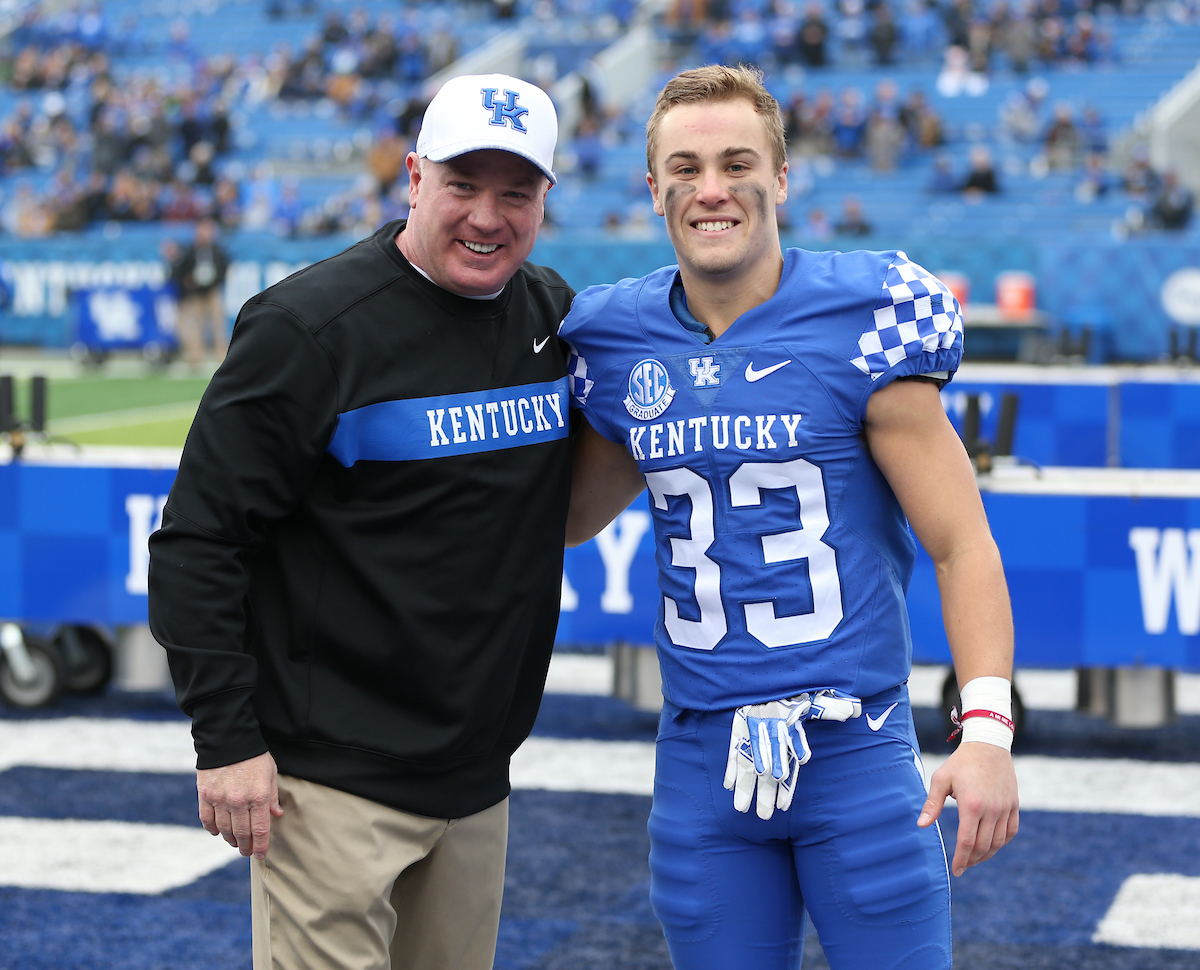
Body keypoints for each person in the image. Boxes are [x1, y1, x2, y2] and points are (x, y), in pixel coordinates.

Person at [561, 65, 1018, 970]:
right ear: (652, 190)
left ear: (781, 176)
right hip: (699, 758)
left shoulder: (866, 319)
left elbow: (963, 545)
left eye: (737, 163)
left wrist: (989, 733)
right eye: (685, 169)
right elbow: (566, 521)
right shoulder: (614, 343)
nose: (712, 189)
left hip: (855, 747)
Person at [147, 73, 573, 970]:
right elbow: (198, 542)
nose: (487, 217)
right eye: (463, 185)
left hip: (477, 782)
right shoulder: (308, 329)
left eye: (516, 192)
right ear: (413, 178)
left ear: (546, 199)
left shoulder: (551, 317)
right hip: (328, 786)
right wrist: (226, 740)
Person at [173, 217, 230, 365]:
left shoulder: (217, 251)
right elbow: (180, 271)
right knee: (194, 326)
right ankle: (195, 356)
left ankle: (222, 355)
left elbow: (224, 268)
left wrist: (216, 280)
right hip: (195, 294)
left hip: (212, 292)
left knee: (218, 325)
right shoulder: (190, 251)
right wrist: (188, 282)